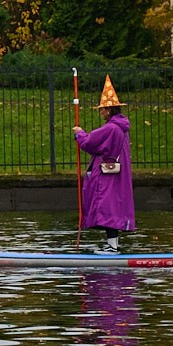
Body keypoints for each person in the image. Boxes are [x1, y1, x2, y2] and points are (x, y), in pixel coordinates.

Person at [74, 76, 134, 251]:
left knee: (107, 208)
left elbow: (90, 143)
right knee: (113, 208)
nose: (100, 112)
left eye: (102, 109)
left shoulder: (111, 128)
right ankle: (112, 245)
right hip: (117, 175)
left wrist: (79, 134)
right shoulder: (121, 128)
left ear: (109, 110)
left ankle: (112, 248)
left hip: (107, 177)